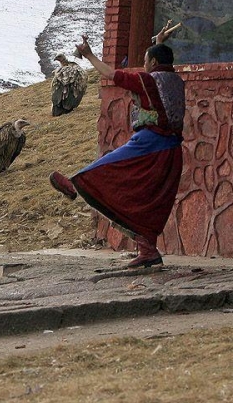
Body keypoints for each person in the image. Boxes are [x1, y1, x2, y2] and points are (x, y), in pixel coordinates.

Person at [49, 21, 185, 268]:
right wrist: (159, 43)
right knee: (146, 200)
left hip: (149, 144)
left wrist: (89, 54)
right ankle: (148, 251)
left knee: (107, 167)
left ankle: (75, 184)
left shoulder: (147, 80)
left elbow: (111, 75)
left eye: (146, 59)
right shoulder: (175, 81)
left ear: (152, 63)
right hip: (173, 150)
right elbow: (160, 63)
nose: (144, 63)